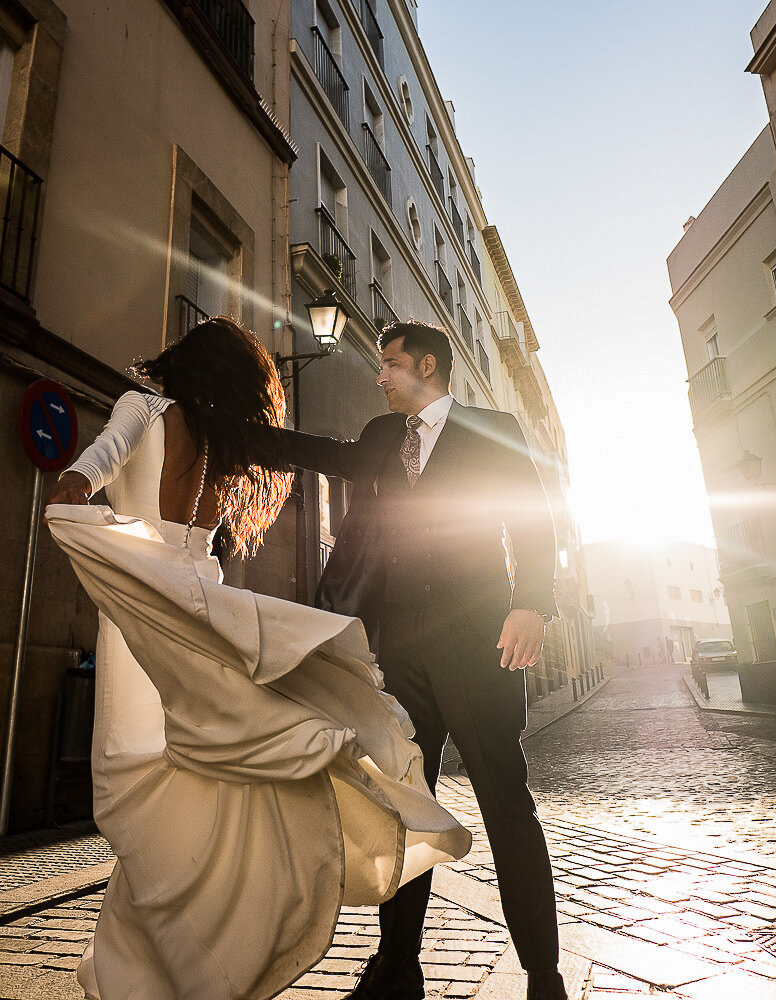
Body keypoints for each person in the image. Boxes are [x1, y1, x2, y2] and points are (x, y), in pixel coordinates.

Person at [45, 318, 470, 1000]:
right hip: (207, 608)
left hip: (149, 615)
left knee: (145, 776)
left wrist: (73, 484)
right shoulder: (228, 441)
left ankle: (153, 957)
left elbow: (103, 454)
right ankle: (208, 945)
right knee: (209, 778)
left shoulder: (144, 407)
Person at [278, 320, 567, 1000]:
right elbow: (323, 453)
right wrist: (225, 420)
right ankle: (398, 972)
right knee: (406, 807)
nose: (380, 375)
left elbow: (532, 518)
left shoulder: (490, 427)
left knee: (505, 803)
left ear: (426, 366)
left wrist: (533, 603)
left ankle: (544, 978)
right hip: (400, 651)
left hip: (478, 644)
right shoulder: (384, 438)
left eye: (390, 363)